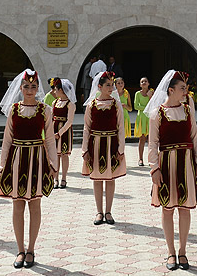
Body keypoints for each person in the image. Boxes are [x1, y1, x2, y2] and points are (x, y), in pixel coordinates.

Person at [0, 69, 57, 269]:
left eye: (33, 86)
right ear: (20, 88)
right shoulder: (14, 109)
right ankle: (19, 249)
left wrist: (54, 165)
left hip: (37, 160)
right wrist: (2, 164)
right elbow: (7, 138)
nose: (29, 90)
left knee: (34, 205)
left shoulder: (45, 110)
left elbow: (49, 139)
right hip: (16, 159)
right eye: (26, 86)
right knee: (17, 205)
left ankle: (31, 248)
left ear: (38, 88)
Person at [146, 70, 197, 271]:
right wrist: (154, 168)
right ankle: (170, 252)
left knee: (185, 208)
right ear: (170, 90)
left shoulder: (188, 111)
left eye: (185, 88)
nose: (185, 91)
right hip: (166, 165)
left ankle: (183, 251)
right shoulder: (157, 114)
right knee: (168, 208)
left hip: (186, 164)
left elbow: (195, 137)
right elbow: (153, 143)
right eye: (182, 88)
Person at [81, 71, 126, 225]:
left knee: (111, 178)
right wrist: (85, 150)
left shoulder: (116, 104)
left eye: (112, 84)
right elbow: (86, 128)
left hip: (112, 144)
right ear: (99, 86)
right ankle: (99, 211)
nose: (111, 87)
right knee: (97, 179)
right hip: (96, 144)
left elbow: (121, 126)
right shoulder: (91, 105)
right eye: (107, 85)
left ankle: (108, 211)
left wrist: (121, 148)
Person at [49, 77, 75, 189]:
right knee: (56, 155)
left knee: (64, 155)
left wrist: (60, 132)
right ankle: (56, 179)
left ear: (61, 90)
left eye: (56, 89)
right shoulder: (55, 102)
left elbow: (69, 121)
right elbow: (50, 118)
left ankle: (64, 178)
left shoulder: (70, 104)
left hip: (65, 132)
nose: (54, 91)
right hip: (54, 130)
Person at [133, 77, 154, 166]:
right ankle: (140, 159)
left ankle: (151, 159)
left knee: (151, 140)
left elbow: (154, 105)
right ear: (140, 84)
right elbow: (136, 106)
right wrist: (146, 108)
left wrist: (150, 97)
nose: (144, 82)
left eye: (145, 81)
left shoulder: (152, 93)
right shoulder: (138, 94)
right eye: (142, 82)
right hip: (141, 118)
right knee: (142, 139)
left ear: (148, 83)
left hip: (150, 118)